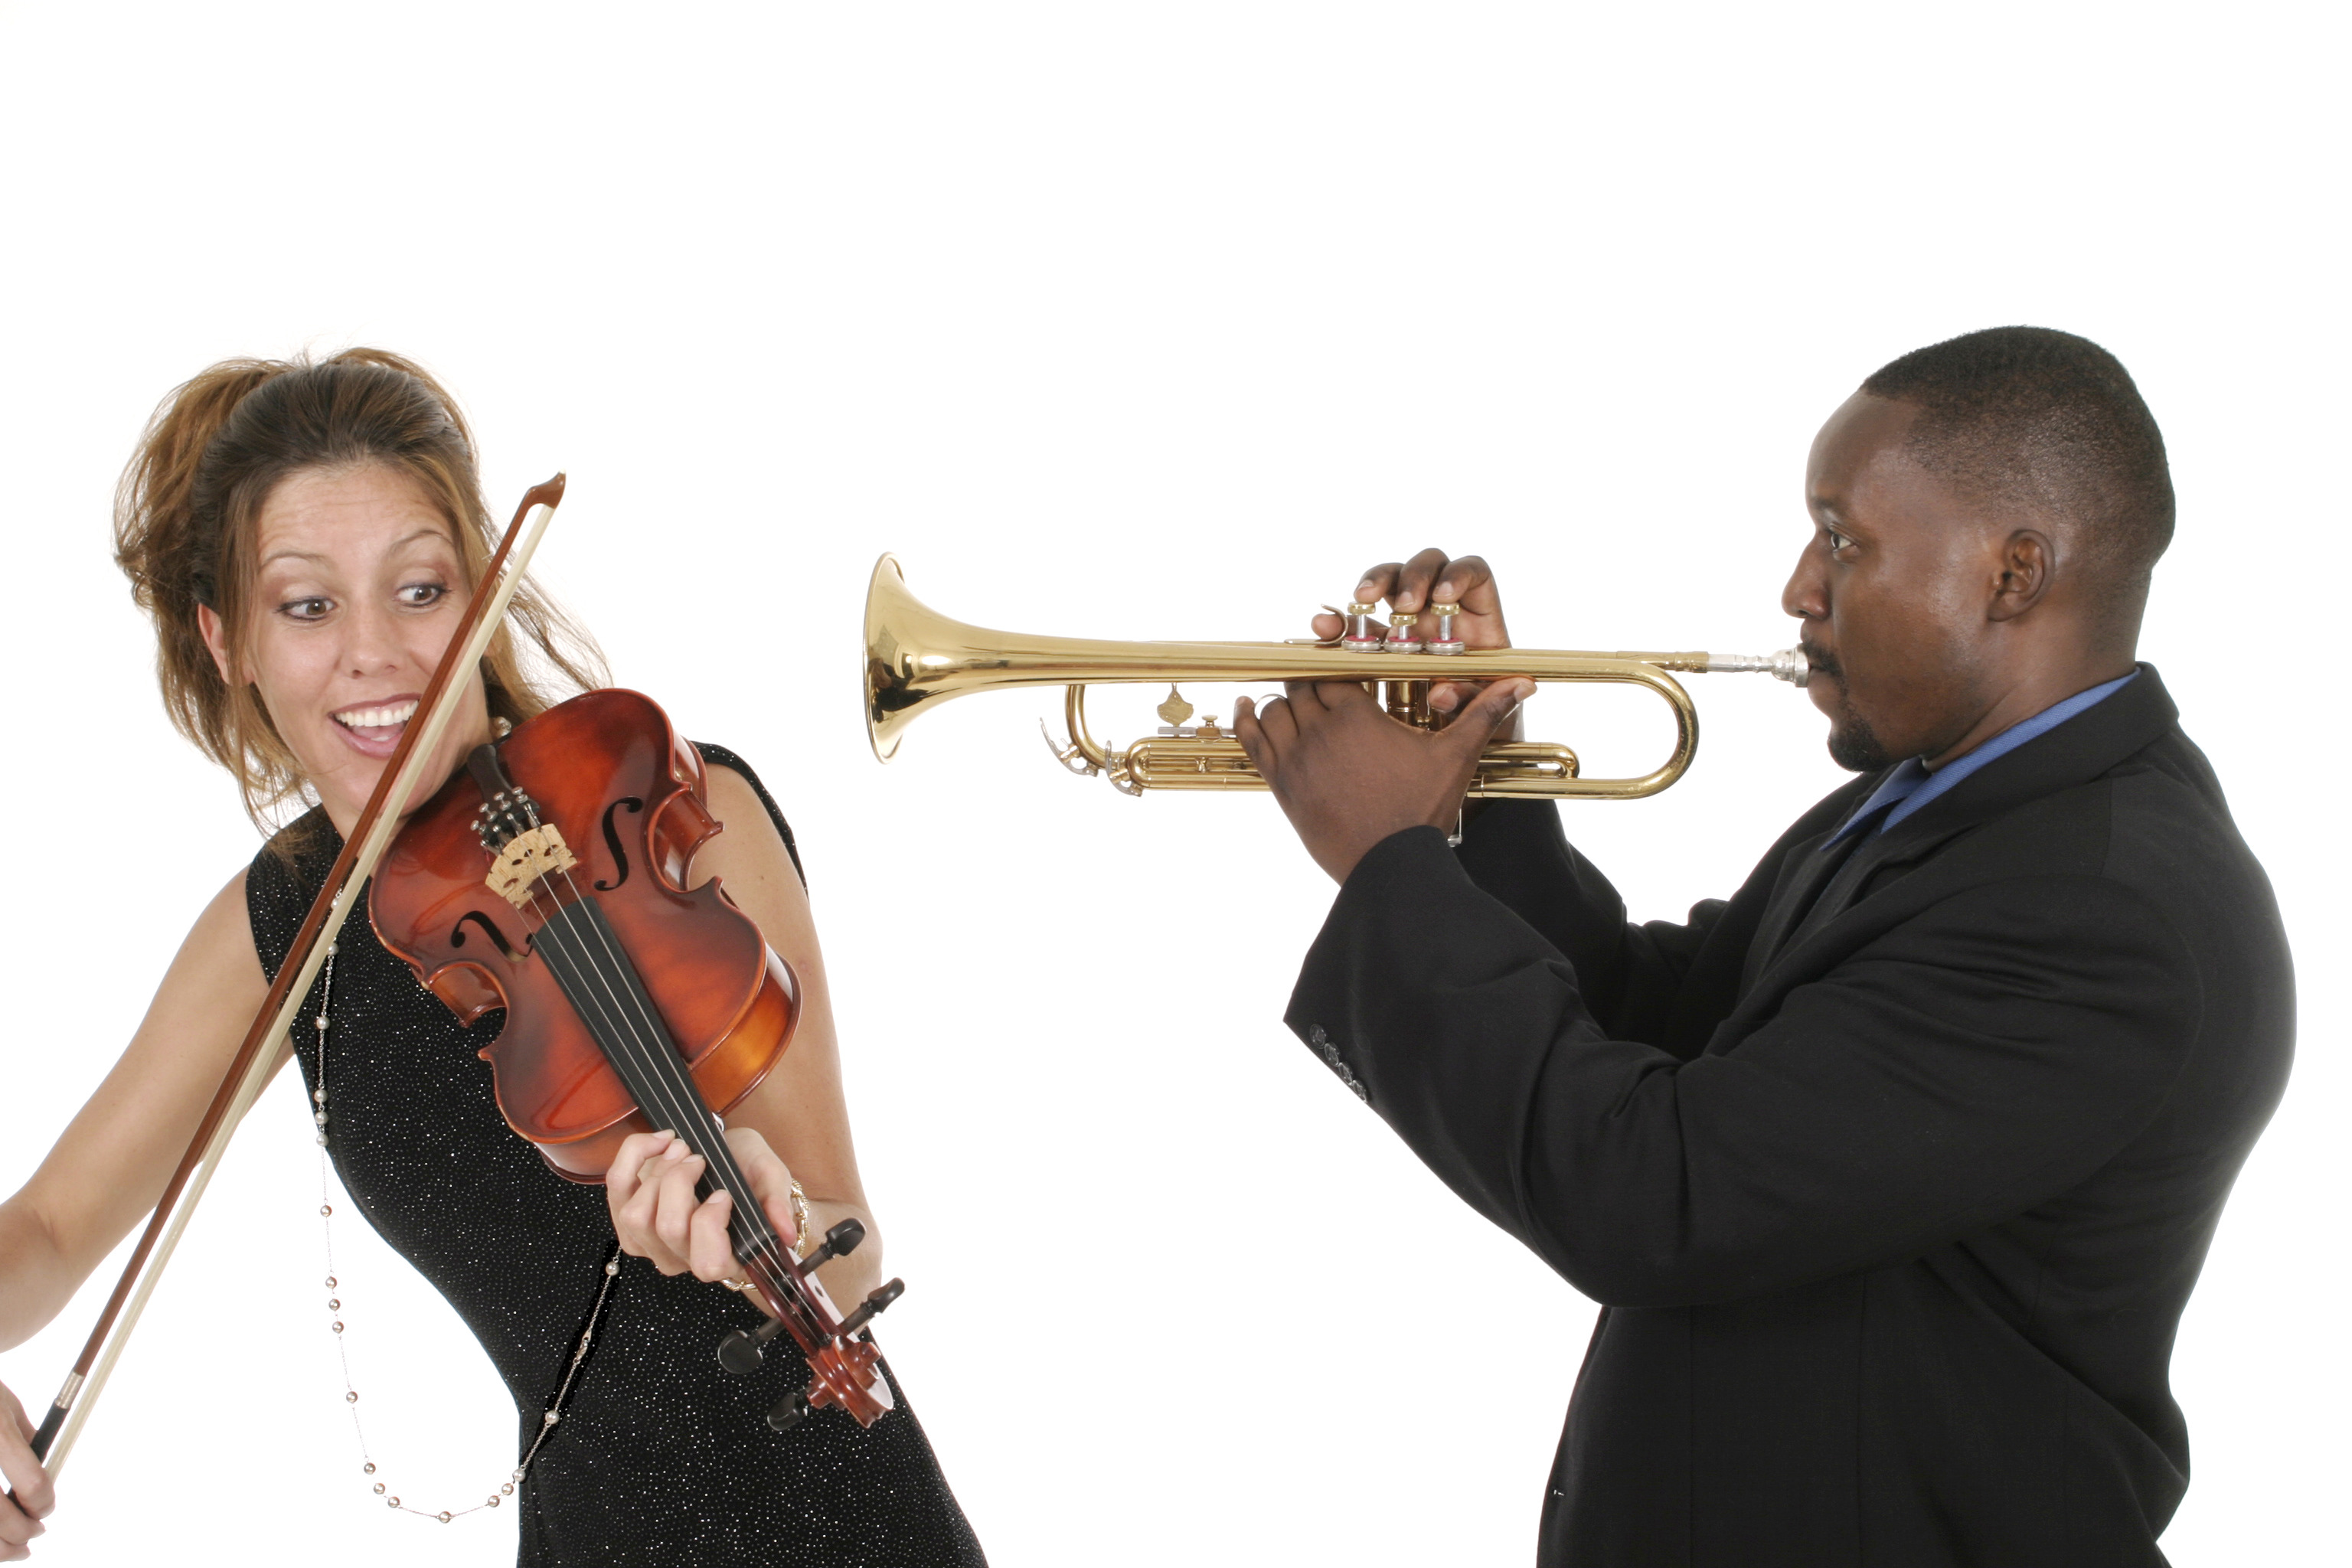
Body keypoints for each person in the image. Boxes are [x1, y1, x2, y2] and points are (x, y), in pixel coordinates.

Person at [1230, 326, 2292, 1566]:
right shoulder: (1937, 798)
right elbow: (1653, 1021)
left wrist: (1386, 861)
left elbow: (1652, 1196)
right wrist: (1489, 754)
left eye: (1843, 539)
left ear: (2013, 574)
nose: (1800, 586)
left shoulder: (2101, 916)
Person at [0, 350, 986, 1566]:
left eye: (419, 591)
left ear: (483, 595)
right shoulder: (279, 933)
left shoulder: (670, 808)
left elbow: (848, 1240)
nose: (376, 658)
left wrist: (768, 1215)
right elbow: (45, 1232)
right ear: (228, 642)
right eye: (308, 606)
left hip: (843, 1526)